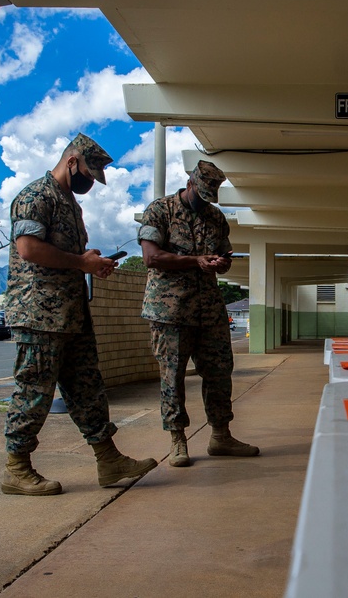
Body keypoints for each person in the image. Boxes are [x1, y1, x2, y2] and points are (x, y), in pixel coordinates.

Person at [2, 133, 158, 496]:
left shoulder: (70, 204)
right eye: (89, 173)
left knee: (88, 388)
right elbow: (28, 248)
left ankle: (109, 459)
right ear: (72, 161)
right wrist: (80, 262)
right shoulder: (35, 196)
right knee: (34, 392)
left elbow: (70, 258)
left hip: (71, 313)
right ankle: (16, 467)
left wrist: (92, 264)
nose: (90, 183)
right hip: (39, 314)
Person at [138, 160, 260, 468]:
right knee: (173, 376)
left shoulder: (215, 217)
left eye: (211, 195)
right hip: (170, 311)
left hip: (209, 309)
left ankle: (221, 435)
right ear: (190, 183)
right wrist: (195, 261)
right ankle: (177, 439)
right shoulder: (160, 210)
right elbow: (151, 257)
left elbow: (225, 253)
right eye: (202, 193)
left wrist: (221, 263)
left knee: (219, 371)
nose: (205, 200)